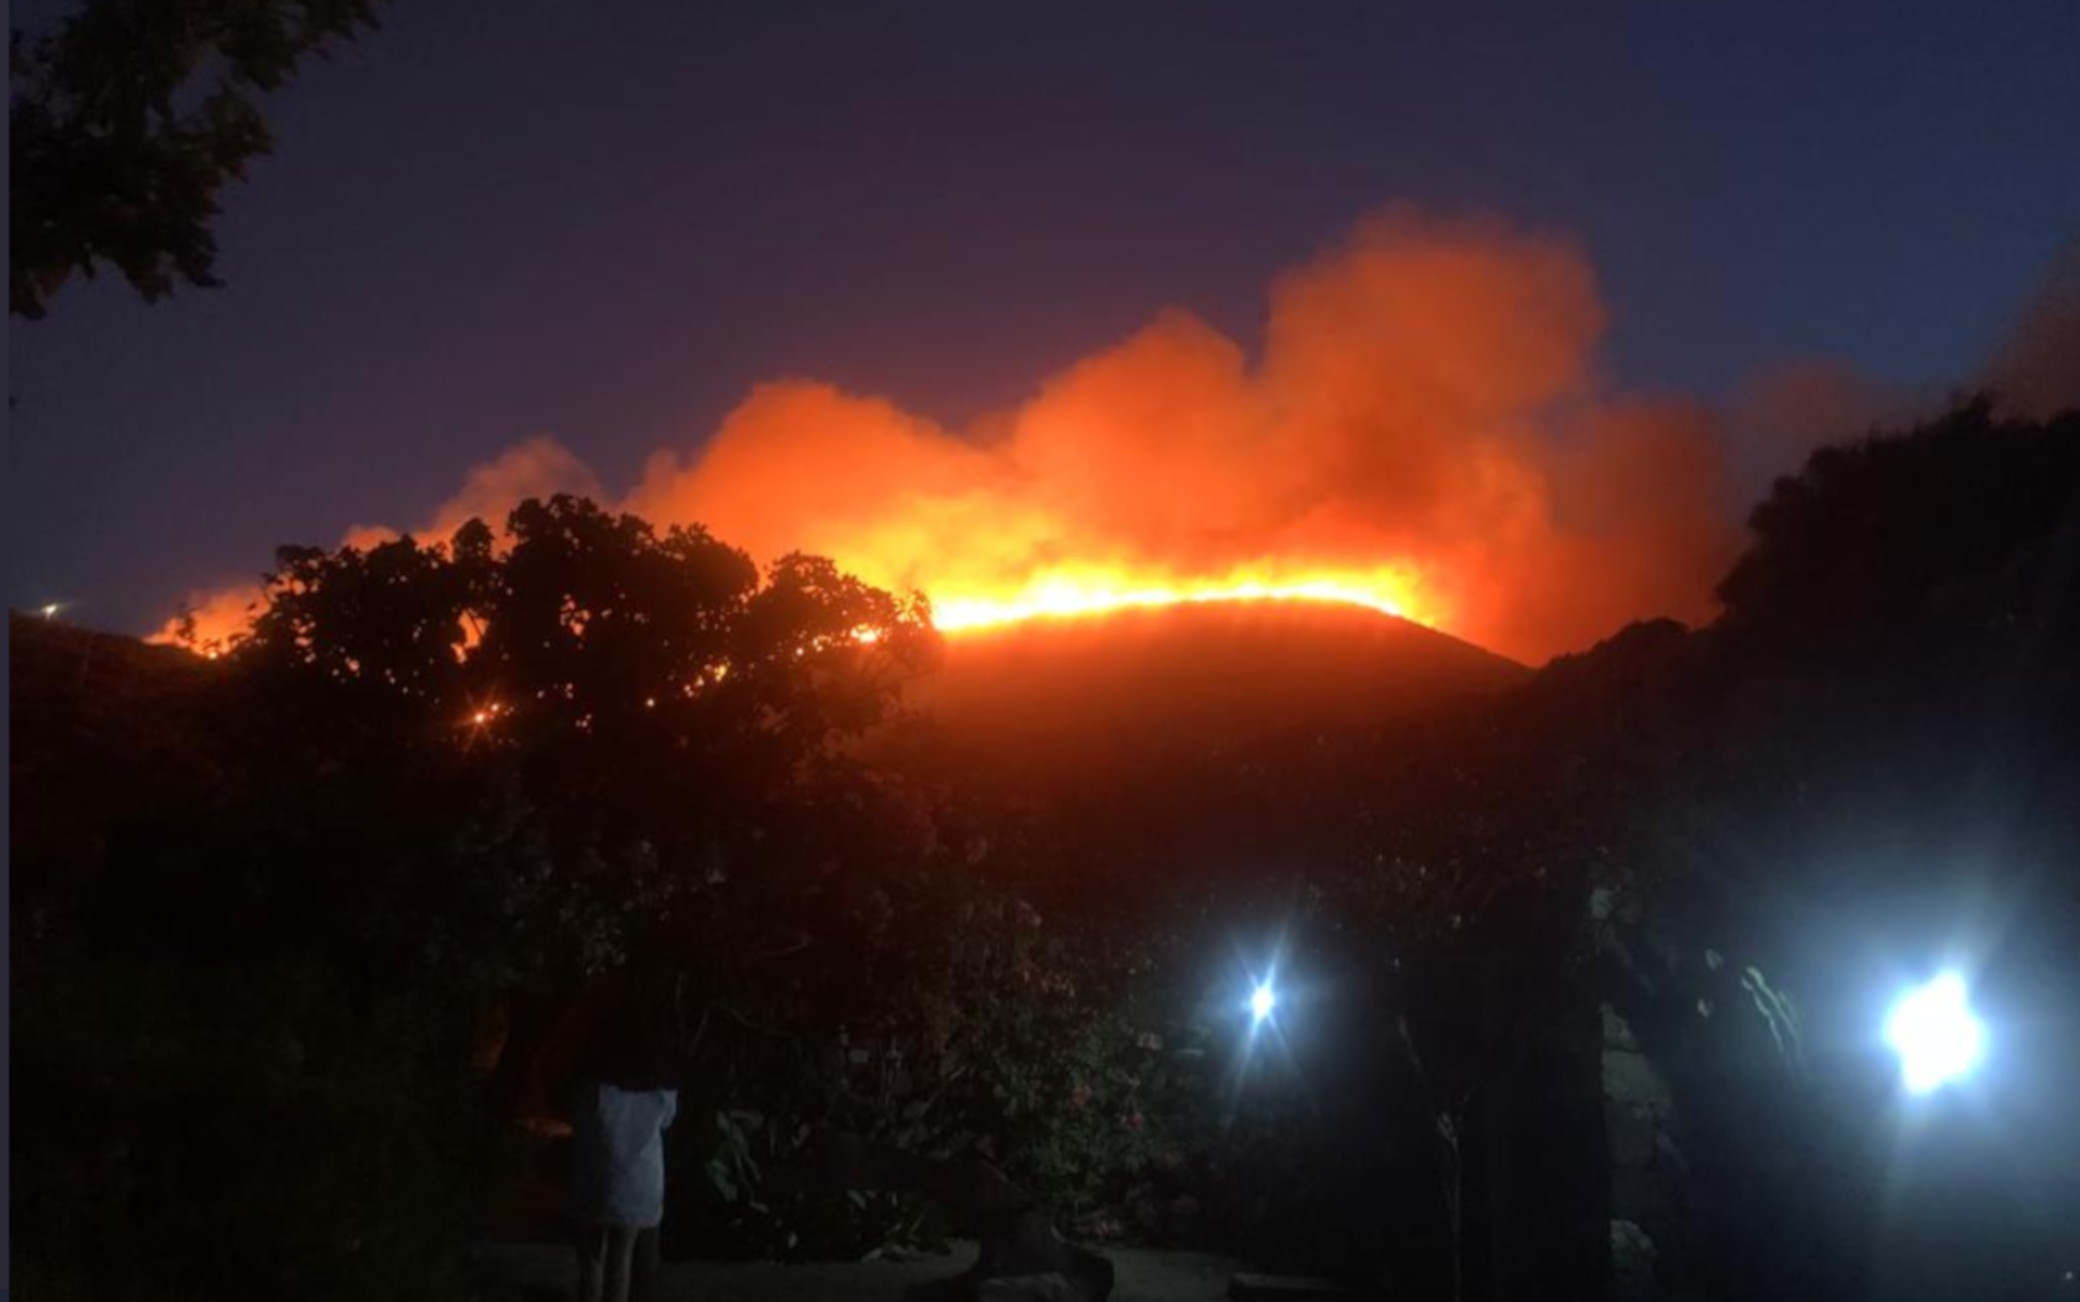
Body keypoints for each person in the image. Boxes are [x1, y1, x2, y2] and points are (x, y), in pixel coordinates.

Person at [565, 980, 679, 1302]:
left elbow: (579, 1119)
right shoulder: (662, 1087)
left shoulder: (594, 1085)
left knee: (592, 1267)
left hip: (596, 1179)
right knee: (621, 1263)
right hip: (639, 1183)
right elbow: (667, 1123)